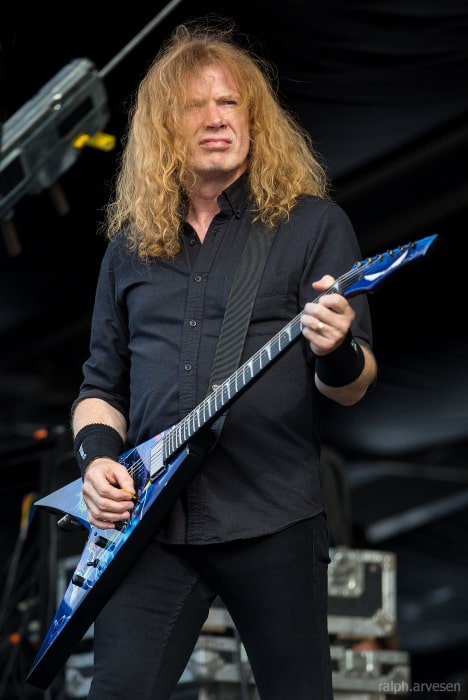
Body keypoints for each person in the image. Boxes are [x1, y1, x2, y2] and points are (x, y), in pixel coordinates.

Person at [71, 17, 378, 700]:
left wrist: (334, 350)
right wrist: (95, 460)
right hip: (151, 524)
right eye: (195, 106)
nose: (216, 118)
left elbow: (354, 385)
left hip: (272, 516)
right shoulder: (129, 247)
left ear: (254, 119)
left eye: (230, 102)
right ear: (165, 129)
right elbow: (100, 384)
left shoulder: (311, 226)